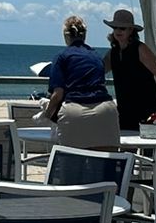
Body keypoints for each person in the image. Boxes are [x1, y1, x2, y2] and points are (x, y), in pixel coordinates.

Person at [43, 14, 119, 150]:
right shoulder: (96, 56)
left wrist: (46, 115)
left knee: (72, 165)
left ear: (66, 36)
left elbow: (58, 94)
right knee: (106, 166)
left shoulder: (62, 57)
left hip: (75, 112)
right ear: (84, 36)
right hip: (105, 111)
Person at [103, 8, 156, 131]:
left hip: (149, 109)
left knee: (151, 147)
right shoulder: (112, 54)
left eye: (122, 28)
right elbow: (97, 72)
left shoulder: (140, 49)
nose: (118, 31)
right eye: (115, 27)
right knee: (127, 148)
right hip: (126, 111)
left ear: (131, 30)